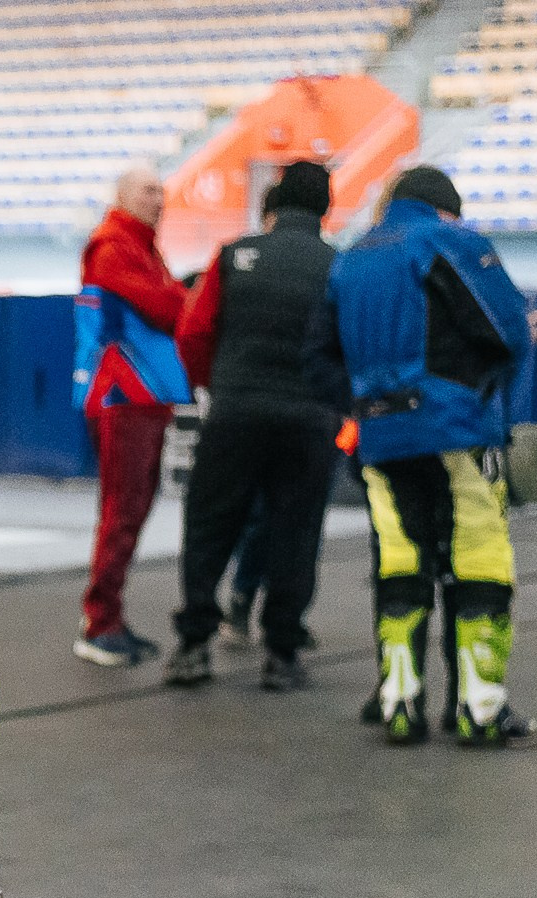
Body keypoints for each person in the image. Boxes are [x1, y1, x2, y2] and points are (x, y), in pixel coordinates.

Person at [318, 166, 537, 746]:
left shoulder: (350, 256)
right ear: (446, 208)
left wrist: (366, 404)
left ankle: (399, 704)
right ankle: (480, 710)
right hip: (454, 428)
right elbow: (508, 328)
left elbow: (320, 355)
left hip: (379, 440)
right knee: (479, 562)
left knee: (400, 563)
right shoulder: (450, 242)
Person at [165, 161, 349, 691]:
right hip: (309, 419)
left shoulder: (232, 256)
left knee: (210, 525)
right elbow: (347, 348)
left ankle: (194, 645)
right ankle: (282, 653)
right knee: (294, 531)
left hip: (236, 413)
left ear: (271, 208)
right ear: (324, 210)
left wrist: (217, 387)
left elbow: (193, 333)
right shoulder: (337, 265)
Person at [71, 163, 189, 667]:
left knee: (132, 510)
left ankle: (107, 617)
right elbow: (165, 308)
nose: (159, 198)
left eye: (161, 190)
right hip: (125, 396)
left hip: (142, 396)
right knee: (123, 511)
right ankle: (99, 622)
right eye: (148, 190)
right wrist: (191, 298)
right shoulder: (116, 246)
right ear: (122, 196)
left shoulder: (135, 245)